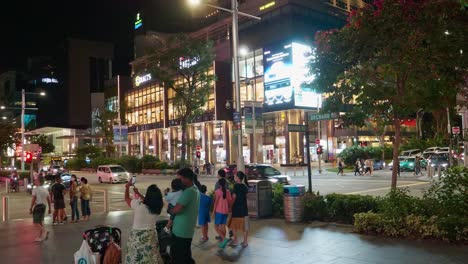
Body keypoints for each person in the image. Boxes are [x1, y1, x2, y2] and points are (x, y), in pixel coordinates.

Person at [124, 183, 164, 263]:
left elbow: (127, 198)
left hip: (138, 236)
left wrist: (127, 187)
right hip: (151, 235)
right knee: (150, 257)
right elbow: (149, 201)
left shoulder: (139, 205)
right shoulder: (157, 207)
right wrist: (138, 193)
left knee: (135, 256)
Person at [169, 168, 200, 264]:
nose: (179, 181)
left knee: (178, 257)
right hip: (186, 230)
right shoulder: (194, 189)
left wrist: (170, 209)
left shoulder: (188, 192)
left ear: (187, 179)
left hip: (181, 232)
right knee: (186, 256)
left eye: (180, 179)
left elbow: (176, 209)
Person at [228, 171, 249, 248]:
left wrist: (230, 206)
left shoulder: (235, 186)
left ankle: (235, 240)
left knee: (233, 225)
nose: (234, 177)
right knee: (245, 226)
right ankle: (245, 242)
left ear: (237, 177)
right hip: (244, 209)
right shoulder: (245, 186)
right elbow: (246, 197)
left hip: (236, 208)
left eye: (235, 176)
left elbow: (234, 197)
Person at [30, 176, 51, 242]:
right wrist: (50, 208)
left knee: (36, 222)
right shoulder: (45, 189)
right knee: (40, 222)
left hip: (38, 206)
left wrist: (30, 208)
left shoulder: (35, 189)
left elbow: (33, 199)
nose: (34, 181)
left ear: (39, 181)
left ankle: (45, 231)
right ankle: (40, 237)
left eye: (36, 180)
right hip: (44, 206)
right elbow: (48, 199)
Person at [213, 178, 232, 243]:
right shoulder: (228, 192)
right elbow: (230, 201)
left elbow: (216, 202)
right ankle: (223, 241)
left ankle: (224, 239)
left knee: (216, 226)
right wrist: (229, 209)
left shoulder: (217, 191)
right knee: (223, 225)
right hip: (226, 211)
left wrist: (213, 212)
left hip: (219, 211)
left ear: (219, 184)